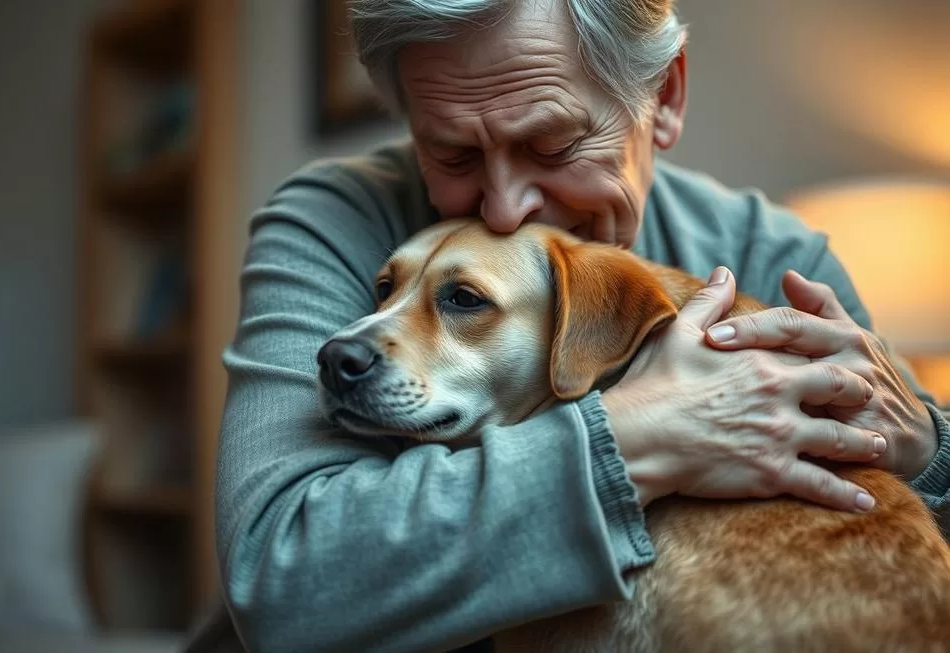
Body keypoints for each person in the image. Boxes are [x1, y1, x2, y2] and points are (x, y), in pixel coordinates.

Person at [185, 1, 950, 651]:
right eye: (452, 152)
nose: (505, 208)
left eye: (553, 145)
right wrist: (652, 432)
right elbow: (281, 575)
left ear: (666, 97)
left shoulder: (773, 254)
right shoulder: (331, 220)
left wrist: (923, 448)